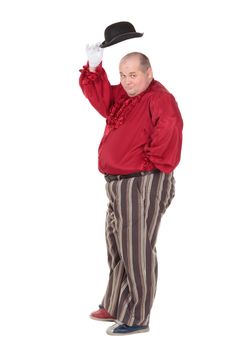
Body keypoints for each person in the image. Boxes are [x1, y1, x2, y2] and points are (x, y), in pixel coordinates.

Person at [79, 43, 183, 336]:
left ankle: (137, 317)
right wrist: (94, 67)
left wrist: (147, 166)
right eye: (123, 75)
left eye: (133, 74)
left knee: (137, 248)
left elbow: (170, 129)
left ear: (149, 73)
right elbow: (102, 100)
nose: (127, 81)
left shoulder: (160, 98)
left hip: (141, 182)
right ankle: (116, 304)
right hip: (118, 184)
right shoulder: (126, 95)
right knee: (117, 244)